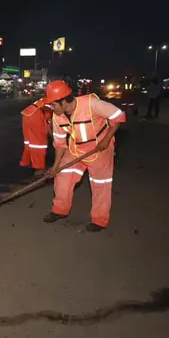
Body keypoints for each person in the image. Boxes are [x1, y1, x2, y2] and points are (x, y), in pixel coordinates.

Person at [40, 80, 126, 232]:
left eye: (53, 105)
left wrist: (106, 140)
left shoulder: (92, 104)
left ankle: (99, 219)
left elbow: (118, 116)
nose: (51, 108)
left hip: (99, 149)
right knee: (62, 176)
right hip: (76, 149)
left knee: (100, 184)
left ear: (63, 101)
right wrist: (55, 167)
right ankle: (60, 209)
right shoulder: (57, 117)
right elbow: (59, 143)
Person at [19, 98, 53, 174]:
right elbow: (49, 123)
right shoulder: (53, 103)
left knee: (29, 143)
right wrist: (53, 136)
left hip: (27, 114)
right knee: (39, 144)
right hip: (36, 115)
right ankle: (39, 167)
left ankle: (25, 162)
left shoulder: (46, 99)